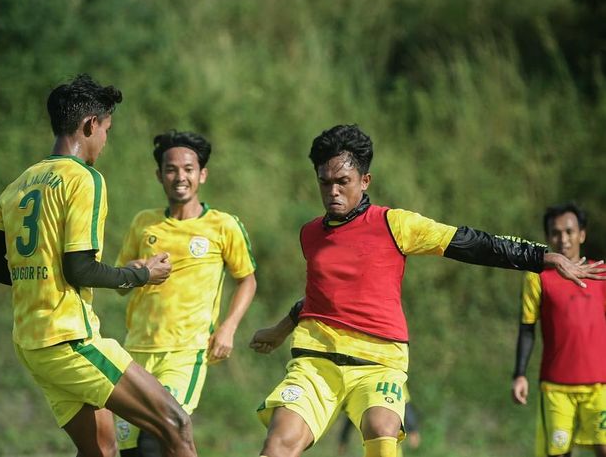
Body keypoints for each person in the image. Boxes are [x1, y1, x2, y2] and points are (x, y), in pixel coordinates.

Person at [248, 124, 605, 457]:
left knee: (382, 430)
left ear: (365, 180)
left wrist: (543, 257)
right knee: (278, 446)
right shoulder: (310, 234)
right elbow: (318, 298)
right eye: (325, 183)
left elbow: (473, 243)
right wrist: (280, 331)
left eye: (343, 181)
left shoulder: (395, 225)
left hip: (378, 364)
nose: (333, 192)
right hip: (315, 361)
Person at [0, 74, 198, 457]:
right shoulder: (83, 179)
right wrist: (142, 275)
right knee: (175, 424)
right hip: (70, 339)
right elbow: (79, 269)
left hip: (31, 344)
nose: (105, 140)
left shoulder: (20, 183)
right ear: (91, 125)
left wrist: (38, 279)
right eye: (107, 130)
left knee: (102, 450)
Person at [113, 130, 257, 457]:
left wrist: (228, 328)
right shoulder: (144, 224)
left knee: (160, 434)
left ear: (202, 174)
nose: (180, 177)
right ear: (159, 175)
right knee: (130, 449)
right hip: (136, 350)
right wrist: (134, 271)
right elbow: (120, 284)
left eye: (189, 169)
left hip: (185, 353)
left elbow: (247, 280)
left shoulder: (223, 225)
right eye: (171, 169)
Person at [511, 203, 606, 457]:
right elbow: (527, 327)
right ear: (548, 238)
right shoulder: (538, 277)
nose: (563, 239)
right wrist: (519, 374)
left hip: (600, 386)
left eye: (569, 231)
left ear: (582, 234)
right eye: (556, 233)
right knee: (558, 453)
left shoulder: (601, 273)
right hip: (556, 388)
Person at [338, 383, 420, 456]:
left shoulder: (395, 374)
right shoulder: (363, 378)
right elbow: (353, 411)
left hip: (390, 441)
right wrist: (343, 439)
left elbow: (406, 404)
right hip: (371, 442)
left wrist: (413, 430)